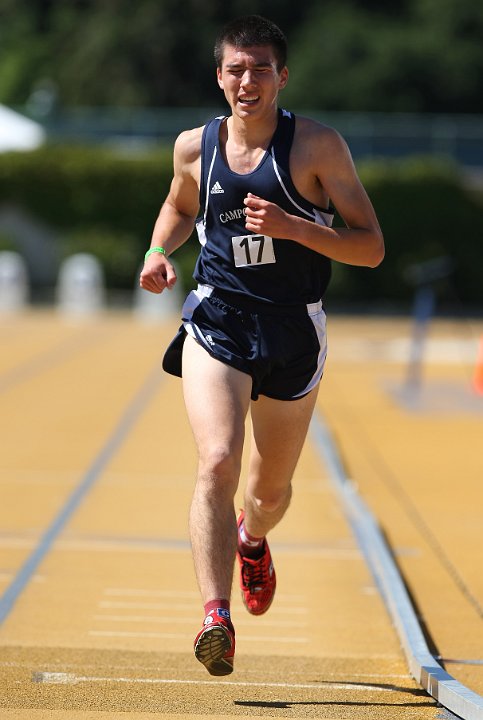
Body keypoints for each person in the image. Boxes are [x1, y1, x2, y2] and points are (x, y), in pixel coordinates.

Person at [140, 14, 384, 677]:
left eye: (260, 69)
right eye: (234, 70)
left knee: (268, 491)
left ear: (282, 76)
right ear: (219, 77)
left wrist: (294, 228)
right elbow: (180, 205)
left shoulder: (317, 149)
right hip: (217, 320)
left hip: (291, 330)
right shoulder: (194, 146)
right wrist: (160, 251)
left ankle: (252, 541)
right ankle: (214, 617)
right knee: (216, 458)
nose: (247, 82)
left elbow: (369, 247)